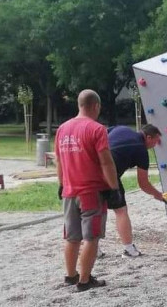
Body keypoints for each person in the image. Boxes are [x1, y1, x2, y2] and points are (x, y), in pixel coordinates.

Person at [56, 89, 120, 292]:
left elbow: (59, 161)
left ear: (79, 105)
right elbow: (106, 162)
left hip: (69, 191)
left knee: (72, 237)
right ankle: (84, 281)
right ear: (96, 106)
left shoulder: (62, 129)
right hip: (92, 192)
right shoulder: (97, 129)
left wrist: (62, 183)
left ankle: (70, 275)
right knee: (92, 237)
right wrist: (114, 187)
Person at [105, 124, 163, 258]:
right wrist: (157, 194)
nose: (155, 145)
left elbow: (100, 134)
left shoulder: (120, 128)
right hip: (109, 174)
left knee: (97, 210)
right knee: (121, 211)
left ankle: (94, 248)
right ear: (148, 137)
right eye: (155, 141)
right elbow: (143, 183)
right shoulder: (141, 150)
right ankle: (129, 249)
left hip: (90, 167)